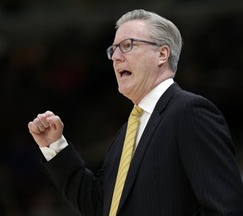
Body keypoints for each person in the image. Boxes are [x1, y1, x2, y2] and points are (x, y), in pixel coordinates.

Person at [28, 9, 243, 216]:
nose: (115, 57)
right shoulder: (127, 131)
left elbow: (224, 208)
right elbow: (100, 206)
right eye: (113, 50)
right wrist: (55, 147)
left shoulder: (190, 111)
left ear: (162, 54)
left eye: (127, 45)